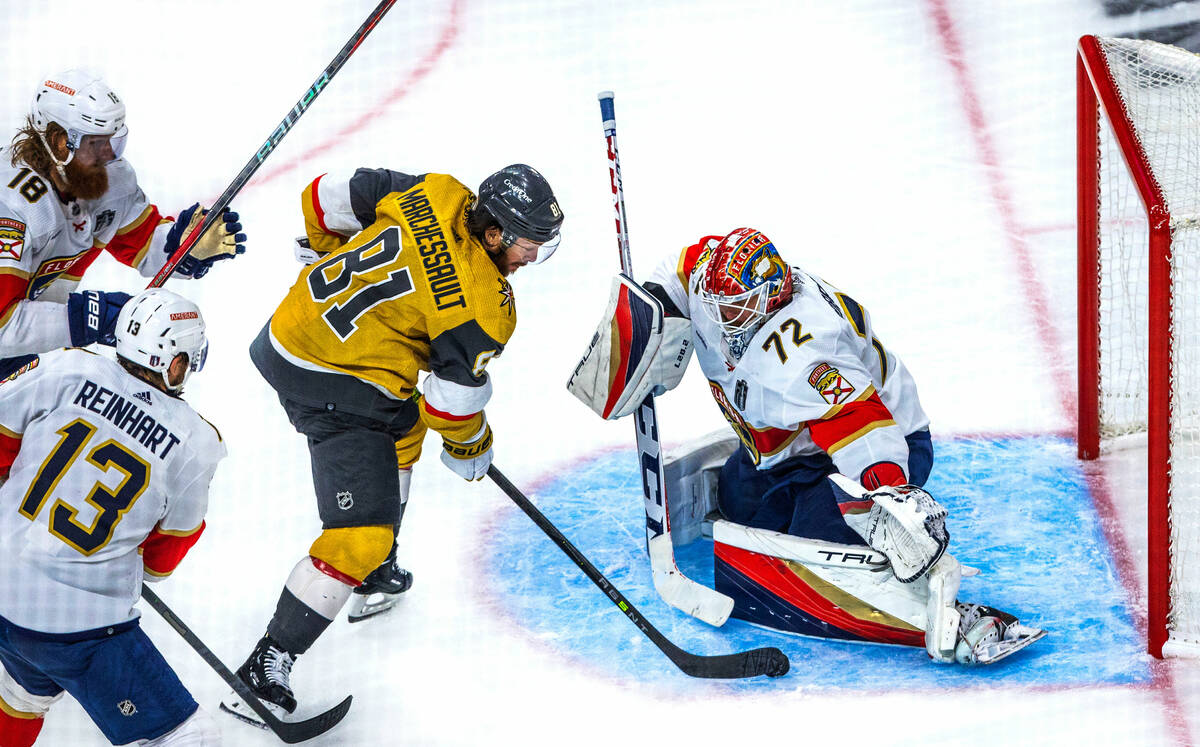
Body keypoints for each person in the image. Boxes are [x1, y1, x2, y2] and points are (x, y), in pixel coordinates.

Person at [568, 227, 1045, 665]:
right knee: (738, 506)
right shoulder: (713, 281)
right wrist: (654, 314)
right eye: (714, 301)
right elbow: (679, 272)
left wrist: (890, 497)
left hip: (882, 442)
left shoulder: (803, 352)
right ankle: (807, 495)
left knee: (810, 539)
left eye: (732, 308)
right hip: (790, 446)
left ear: (767, 304)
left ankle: (941, 610)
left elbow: (860, 418)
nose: (715, 315)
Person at [220, 164, 563, 725]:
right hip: (334, 383)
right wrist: (474, 446)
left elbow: (326, 195)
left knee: (404, 427)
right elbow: (449, 404)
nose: (530, 259)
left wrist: (330, 252)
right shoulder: (481, 305)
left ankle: (380, 570)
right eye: (526, 245)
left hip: (291, 328)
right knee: (360, 535)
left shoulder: (435, 191)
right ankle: (264, 667)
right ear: (495, 232)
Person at [0, 289, 226, 745]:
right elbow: (161, 565)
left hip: (5, 589)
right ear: (175, 363)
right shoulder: (196, 442)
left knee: (20, 697)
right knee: (190, 737)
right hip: (82, 625)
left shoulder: (65, 365)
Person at [0, 69, 246, 379]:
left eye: (113, 142)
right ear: (59, 141)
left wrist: (182, 245)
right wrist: (96, 317)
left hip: (25, 353)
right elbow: (3, 326)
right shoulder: (11, 206)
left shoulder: (110, 180)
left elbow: (144, 246)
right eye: (95, 143)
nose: (108, 156)